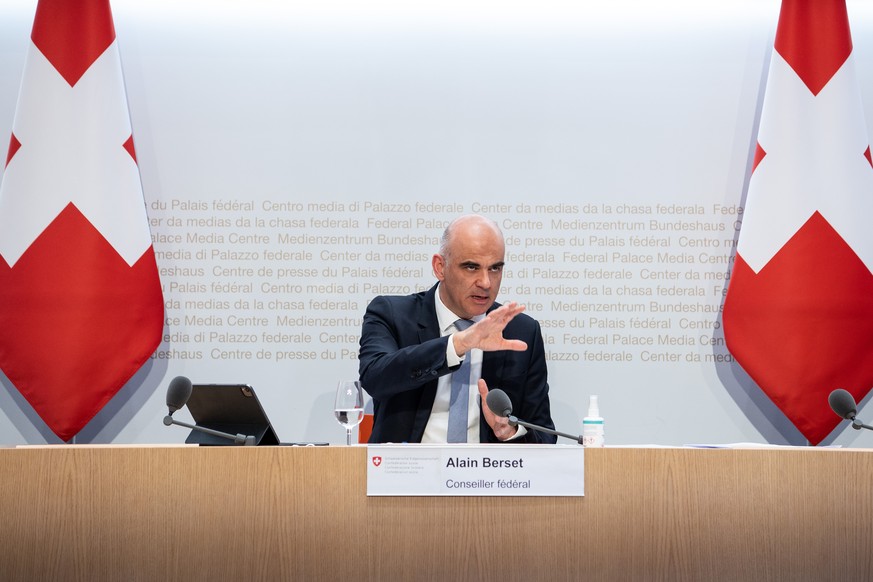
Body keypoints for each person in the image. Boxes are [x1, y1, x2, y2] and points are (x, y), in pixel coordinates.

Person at [358, 214, 556, 443]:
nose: (486, 283)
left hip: (486, 476)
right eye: (471, 267)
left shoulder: (521, 331)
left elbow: (544, 434)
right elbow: (374, 377)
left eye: (495, 268)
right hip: (407, 472)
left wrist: (510, 432)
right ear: (440, 267)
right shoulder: (392, 313)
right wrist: (459, 344)